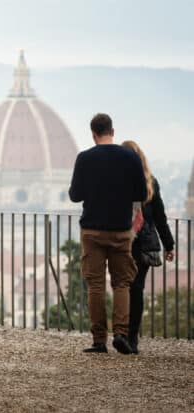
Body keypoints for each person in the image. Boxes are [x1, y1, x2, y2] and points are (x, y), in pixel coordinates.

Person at [69, 113, 146, 354]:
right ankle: (121, 334)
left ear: (93, 134)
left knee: (95, 285)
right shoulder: (130, 157)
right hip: (121, 230)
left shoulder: (84, 158)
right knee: (122, 282)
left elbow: (75, 195)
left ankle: (99, 340)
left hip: (92, 230)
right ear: (113, 131)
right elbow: (142, 193)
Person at [121, 140, 175, 354]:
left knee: (123, 288)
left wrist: (169, 244)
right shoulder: (150, 182)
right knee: (136, 289)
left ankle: (123, 334)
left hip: (124, 242)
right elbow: (160, 217)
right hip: (144, 243)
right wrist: (168, 244)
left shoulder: (118, 183)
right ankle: (131, 337)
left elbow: (160, 216)